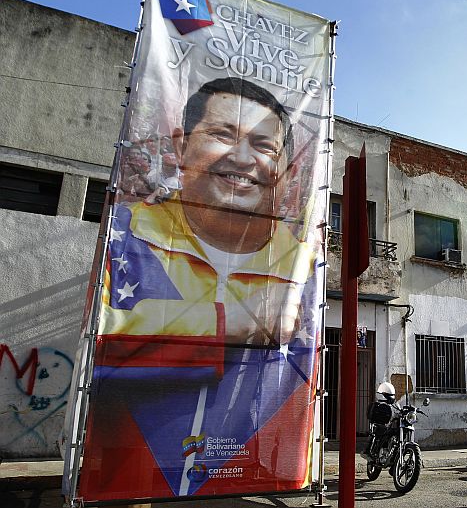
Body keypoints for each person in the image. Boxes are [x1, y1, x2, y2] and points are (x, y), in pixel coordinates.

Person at [81, 77, 319, 499]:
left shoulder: (300, 265)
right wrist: (233, 322)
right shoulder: (126, 234)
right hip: (132, 480)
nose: (243, 158)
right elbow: (100, 349)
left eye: (265, 147)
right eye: (222, 135)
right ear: (181, 145)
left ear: (286, 169)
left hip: (243, 481)